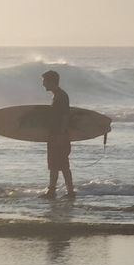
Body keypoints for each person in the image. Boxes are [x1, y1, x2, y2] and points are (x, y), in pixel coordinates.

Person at [41, 70, 74, 199]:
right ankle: (52, 191)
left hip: (60, 136)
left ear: (51, 81)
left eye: (44, 81)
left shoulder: (61, 96)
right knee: (54, 165)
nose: (43, 84)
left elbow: (65, 116)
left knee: (63, 165)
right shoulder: (57, 96)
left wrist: (61, 134)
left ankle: (70, 192)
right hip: (55, 135)